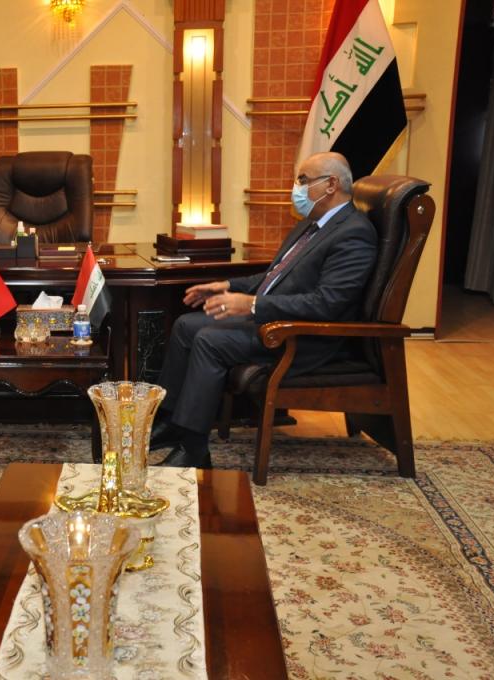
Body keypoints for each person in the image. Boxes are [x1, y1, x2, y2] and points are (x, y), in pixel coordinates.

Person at [150, 152, 378, 469]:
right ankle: (173, 422)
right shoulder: (310, 225)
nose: (296, 188)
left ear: (331, 185)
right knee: (186, 326)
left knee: (209, 340)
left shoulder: (354, 232)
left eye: (303, 180)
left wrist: (253, 304)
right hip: (277, 321)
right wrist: (227, 285)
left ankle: (194, 448)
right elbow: (274, 276)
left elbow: (327, 303)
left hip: (306, 338)